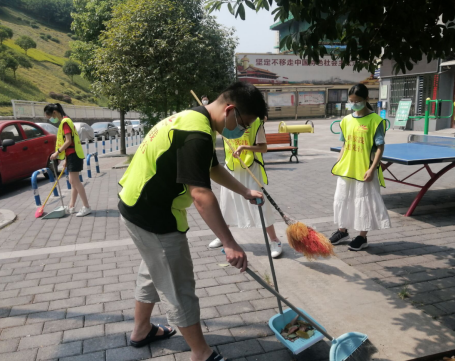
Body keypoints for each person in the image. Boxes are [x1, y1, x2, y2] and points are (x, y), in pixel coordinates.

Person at [118, 82, 267, 361]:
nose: (243, 131)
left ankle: (141, 330)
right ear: (230, 110)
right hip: (154, 215)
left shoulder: (195, 119)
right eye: (244, 124)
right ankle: (201, 353)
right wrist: (229, 242)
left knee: (153, 270)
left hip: (137, 204)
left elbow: (211, 168)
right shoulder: (196, 133)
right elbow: (200, 194)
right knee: (178, 284)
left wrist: (245, 191)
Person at [208, 116, 282, 258]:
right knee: (227, 202)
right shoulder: (224, 122)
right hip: (231, 168)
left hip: (251, 168)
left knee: (260, 204)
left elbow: (263, 148)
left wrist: (244, 147)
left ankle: (275, 240)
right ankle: (223, 237)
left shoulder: (255, 122)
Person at [330, 83, 391, 251]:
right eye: (351, 101)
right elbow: (344, 145)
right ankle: (342, 231)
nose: (354, 104)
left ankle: (362, 237)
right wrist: (338, 163)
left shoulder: (376, 120)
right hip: (346, 169)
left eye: (357, 101)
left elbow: (380, 147)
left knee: (364, 202)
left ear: (366, 99)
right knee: (344, 198)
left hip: (364, 170)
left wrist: (372, 169)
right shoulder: (346, 121)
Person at [46, 103, 91, 217]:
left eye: (50, 116)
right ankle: (71, 206)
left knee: (76, 182)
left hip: (73, 155)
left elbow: (68, 141)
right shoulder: (65, 121)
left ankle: (86, 206)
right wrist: (66, 158)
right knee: (72, 181)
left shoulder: (65, 123)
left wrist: (57, 152)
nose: (51, 119)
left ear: (55, 113)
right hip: (71, 155)